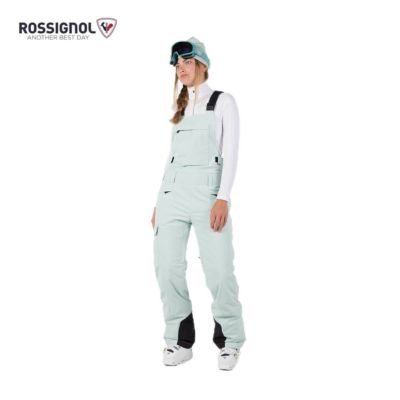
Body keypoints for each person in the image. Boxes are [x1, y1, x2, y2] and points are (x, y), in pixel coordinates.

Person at [151, 37, 246, 371]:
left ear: (202, 65)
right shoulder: (179, 110)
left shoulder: (222, 102)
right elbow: (172, 158)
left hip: (208, 194)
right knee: (166, 267)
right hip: (172, 195)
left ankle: (230, 341)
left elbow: (231, 152)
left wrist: (223, 197)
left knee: (219, 270)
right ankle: (179, 339)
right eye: (177, 65)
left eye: (187, 63)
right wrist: (159, 201)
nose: (181, 69)